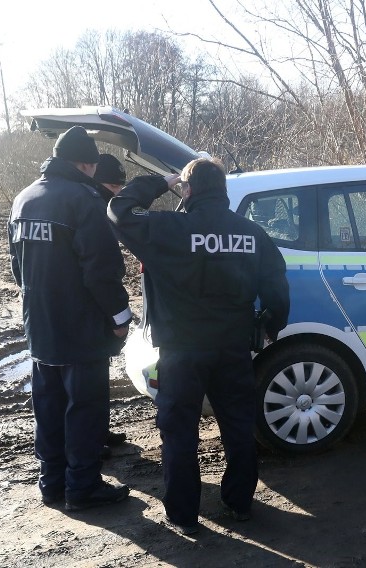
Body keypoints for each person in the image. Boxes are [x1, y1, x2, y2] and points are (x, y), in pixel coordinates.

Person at [107, 157, 289, 535]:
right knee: (238, 428)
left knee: (179, 433)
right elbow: (276, 287)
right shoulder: (251, 233)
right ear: (223, 191)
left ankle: (183, 514)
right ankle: (239, 504)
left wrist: (161, 181)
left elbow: (118, 210)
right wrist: (272, 329)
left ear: (187, 191)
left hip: (181, 351)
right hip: (233, 348)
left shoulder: (168, 228)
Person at [8, 126, 132, 511]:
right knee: (84, 408)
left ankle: (52, 482)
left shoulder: (23, 200)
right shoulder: (84, 201)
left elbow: (17, 269)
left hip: (40, 326)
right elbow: (102, 270)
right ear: (85, 164)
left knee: (47, 406)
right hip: (80, 329)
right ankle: (82, 487)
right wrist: (120, 316)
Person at [92, 153, 130, 454]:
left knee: (96, 377)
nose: (117, 192)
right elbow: (103, 270)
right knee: (84, 385)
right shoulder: (90, 208)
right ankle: (89, 443)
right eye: (113, 185)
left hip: (91, 311)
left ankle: (98, 432)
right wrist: (120, 318)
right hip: (88, 311)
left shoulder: (94, 203)